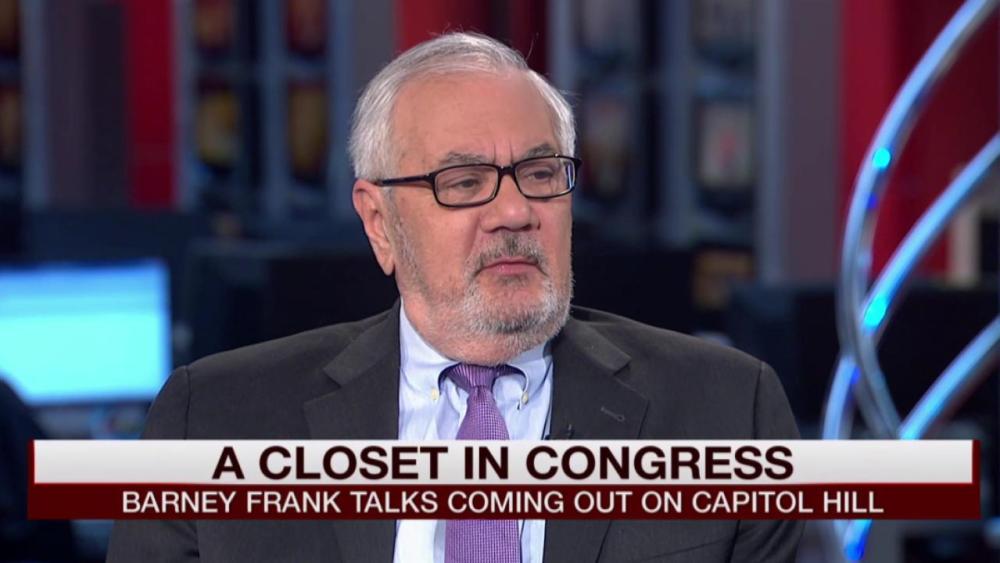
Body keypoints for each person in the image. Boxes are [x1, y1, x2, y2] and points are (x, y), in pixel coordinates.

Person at [108, 32, 801, 562]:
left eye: (539, 173)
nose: (515, 211)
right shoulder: (215, 420)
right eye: (464, 182)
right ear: (380, 223)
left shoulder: (727, 412)